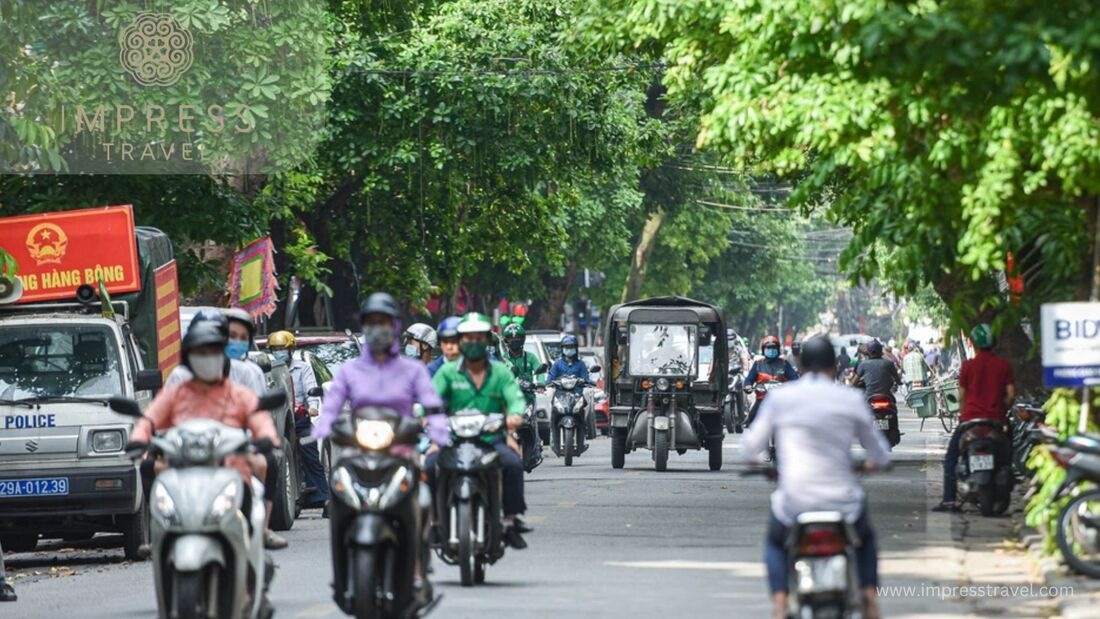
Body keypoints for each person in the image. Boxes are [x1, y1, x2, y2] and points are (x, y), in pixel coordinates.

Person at [742, 336, 891, 619]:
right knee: (866, 540)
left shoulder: (780, 399)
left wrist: (758, 465)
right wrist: (870, 466)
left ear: (800, 364)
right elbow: (881, 454)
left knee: (775, 543)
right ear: (834, 366)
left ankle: (779, 604)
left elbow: (750, 448)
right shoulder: (850, 399)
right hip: (843, 503)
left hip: (794, 503)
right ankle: (870, 599)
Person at [310, 292, 446, 596]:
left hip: (402, 451)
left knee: (420, 499)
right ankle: (343, 570)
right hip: (356, 452)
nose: (378, 329)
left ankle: (416, 569)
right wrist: (324, 426)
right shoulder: (349, 370)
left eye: (383, 323)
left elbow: (433, 406)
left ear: (395, 326)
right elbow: (332, 405)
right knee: (337, 497)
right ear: (363, 326)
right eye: (371, 323)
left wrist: (436, 432)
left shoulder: (413, 370)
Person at [128, 321, 284, 549]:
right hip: (183, 464)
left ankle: (256, 537)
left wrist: (267, 438)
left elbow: (260, 420)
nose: (207, 358)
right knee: (148, 466)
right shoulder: (175, 393)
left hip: (230, 464)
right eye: (201, 353)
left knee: (260, 473)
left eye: (213, 352)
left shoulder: (239, 394)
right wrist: (139, 441)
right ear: (188, 357)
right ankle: (158, 534)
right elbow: (149, 420)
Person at [430, 312, 529, 549]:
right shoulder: (447, 372)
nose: (473, 343)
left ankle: (509, 519)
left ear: (487, 340)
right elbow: (429, 397)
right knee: (428, 465)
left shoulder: (501, 372)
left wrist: (515, 415)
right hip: (453, 439)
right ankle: (434, 521)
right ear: (461, 340)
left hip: (490, 439)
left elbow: (515, 398)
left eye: (478, 337)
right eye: (468, 338)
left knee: (513, 464)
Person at [933, 324, 1015, 512]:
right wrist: (1002, 410)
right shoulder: (1004, 365)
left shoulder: (968, 366)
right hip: (996, 421)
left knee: (951, 459)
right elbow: (1011, 395)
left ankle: (949, 501)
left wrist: (963, 417)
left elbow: (961, 395)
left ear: (973, 344)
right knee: (1008, 449)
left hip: (970, 421)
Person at [267, 330, 328, 510]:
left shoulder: (303, 367)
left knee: (309, 450)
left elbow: (311, 391)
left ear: (290, 350)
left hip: (300, 417)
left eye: (282, 348)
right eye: (275, 349)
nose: (279, 352)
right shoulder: (270, 369)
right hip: (277, 418)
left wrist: (312, 408)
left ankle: (321, 494)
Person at [744, 335, 799, 426]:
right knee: (752, 418)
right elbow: (749, 379)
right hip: (762, 398)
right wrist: (747, 386)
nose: (771, 350)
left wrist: (794, 385)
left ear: (778, 349)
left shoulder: (784, 363)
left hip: (781, 400)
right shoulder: (758, 364)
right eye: (768, 348)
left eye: (773, 348)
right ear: (763, 349)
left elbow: (794, 377)